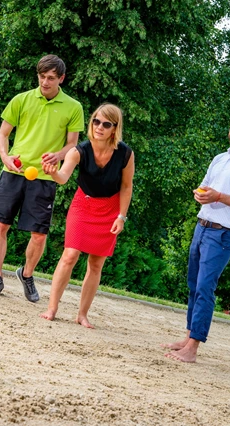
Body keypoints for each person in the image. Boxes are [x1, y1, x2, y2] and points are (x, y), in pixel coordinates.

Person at [163, 105, 230, 362]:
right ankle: (189, 335)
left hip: (223, 235)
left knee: (204, 288)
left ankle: (193, 348)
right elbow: (206, 187)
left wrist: (220, 196)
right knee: (193, 285)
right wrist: (201, 194)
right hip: (202, 227)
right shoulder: (220, 158)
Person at [0, 54, 84, 302]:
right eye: (41, 77)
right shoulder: (21, 100)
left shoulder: (73, 107)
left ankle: (27, 275)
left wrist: (57, 155)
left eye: (51, 78)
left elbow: (72, 145)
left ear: (61, 78)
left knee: (39, 235)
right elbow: (3, 134)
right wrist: (5, 157)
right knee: (1, 225)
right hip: (14, 171)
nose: (45, 82)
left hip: (45, 177)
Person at [39, 103, 135, 328]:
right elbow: (63, 177)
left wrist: (121, 217)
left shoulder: (125, 154)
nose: (99, 127)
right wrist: (54, 173)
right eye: (96, 121)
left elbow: (127, 186)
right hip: (83, 205)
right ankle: (52, 307)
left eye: (106, 124)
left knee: (96, 263)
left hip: (110, 209)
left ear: (115, 128)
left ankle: (82, 314)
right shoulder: (78, 151)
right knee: (70, 255)